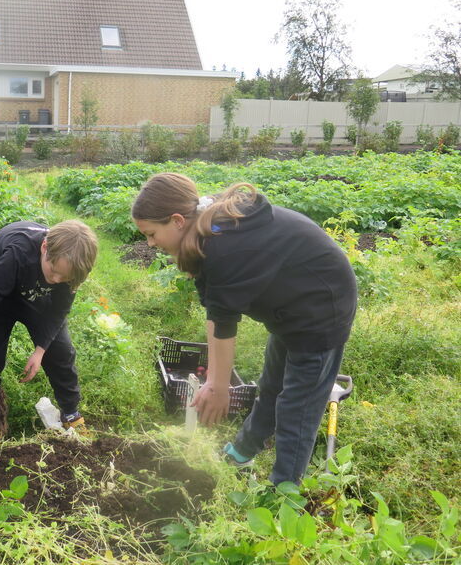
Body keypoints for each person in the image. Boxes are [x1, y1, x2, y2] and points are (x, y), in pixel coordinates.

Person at [131, 174, 357, 485]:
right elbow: (216, 312)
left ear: (177, 220)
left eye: (152, 234)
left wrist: (220, 386)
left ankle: (284, 492)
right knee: (271, 387)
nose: (150, 243)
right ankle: (242, 452)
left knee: (297, 408)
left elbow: (225, 324)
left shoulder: (224, 246)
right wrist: (213, 379)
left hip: (321, 310)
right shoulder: (202, 235)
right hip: (290, 309)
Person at [0, 220, 98, 440]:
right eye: (53, 271)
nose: (56, 280)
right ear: (44, 248)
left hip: (33, 296)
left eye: (64, 278)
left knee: (61, 351)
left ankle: (70, 411)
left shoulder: (70, 268)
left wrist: (41, 349)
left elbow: (58, 311)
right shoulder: (17, 255)